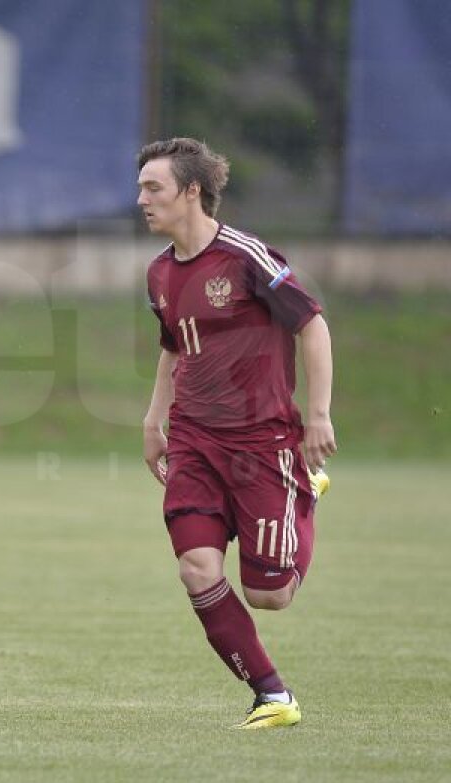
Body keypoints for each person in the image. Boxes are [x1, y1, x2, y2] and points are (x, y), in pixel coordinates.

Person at [137, 138, 337, 729]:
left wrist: (319, 415)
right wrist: (155, 420)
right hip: (194, 441)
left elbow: (313, 324)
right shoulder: (159, 272)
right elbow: (173, 350)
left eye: (154, 188)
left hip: (262, 443)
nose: (142, 200)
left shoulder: (246, 256)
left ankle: (302, 488)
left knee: (270, 595)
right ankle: (273, 695)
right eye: (141, 187)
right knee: (197, 568)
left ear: (192, 191)